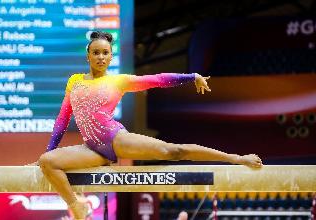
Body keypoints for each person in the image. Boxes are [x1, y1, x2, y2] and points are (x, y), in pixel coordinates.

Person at [32, 31, 262, 220]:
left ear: (111, 57)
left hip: (115, 140)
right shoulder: (75, 82)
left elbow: (157, 79)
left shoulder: (118, 81)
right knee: (47, 162)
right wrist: (49, 150)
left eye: (105, 53)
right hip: (91, 149)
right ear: (88, 56)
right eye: (96, 53)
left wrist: (191, 77)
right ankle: (77, 205)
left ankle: (236, 158)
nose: (101, 57)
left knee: (173, 151)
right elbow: (62, 119)